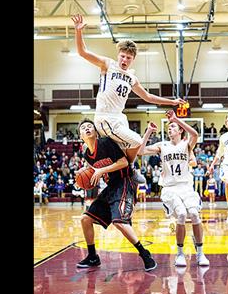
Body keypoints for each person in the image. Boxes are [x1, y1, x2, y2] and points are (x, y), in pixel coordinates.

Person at [71, 14, 186, 183]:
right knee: (138, 141)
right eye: (122, 56)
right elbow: (82, 52)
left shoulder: (132, 78)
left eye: (128, 58)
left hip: (119, 117)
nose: (125, 60)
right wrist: (78, 31)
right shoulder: (107, 64)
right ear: (118, 55)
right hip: (105, 117)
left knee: (125, 149)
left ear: (133, 59)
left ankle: (120, 171)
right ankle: (130, 169)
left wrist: (172, 102)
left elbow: (147, 97)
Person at [75, 118, 157, 271]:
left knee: (118, 222)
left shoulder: (105, 143)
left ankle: (145, 254)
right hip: (111, 186)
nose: (87, 128)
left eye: (90, 126)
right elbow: (96, 173)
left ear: (95, 132)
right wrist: (86, 179)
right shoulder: (87, 154)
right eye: (83, 128)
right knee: (85, 219)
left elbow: (124, 162)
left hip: (124, 181)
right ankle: (93, 256)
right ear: (81, 136)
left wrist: (101, 171)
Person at [138, 110, 210, 267]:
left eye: (173, 127)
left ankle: (200, 252)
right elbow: (140, 151)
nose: (169, 129)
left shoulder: (186, 145)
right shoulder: (162, 145)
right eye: (168, 127)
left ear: (180, 130)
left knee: (194, 215)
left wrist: (176, 118)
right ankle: (180, 253)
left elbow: (195, 134)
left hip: (186, 187)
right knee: (182, 215)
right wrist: (148, 132)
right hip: (170, 188)